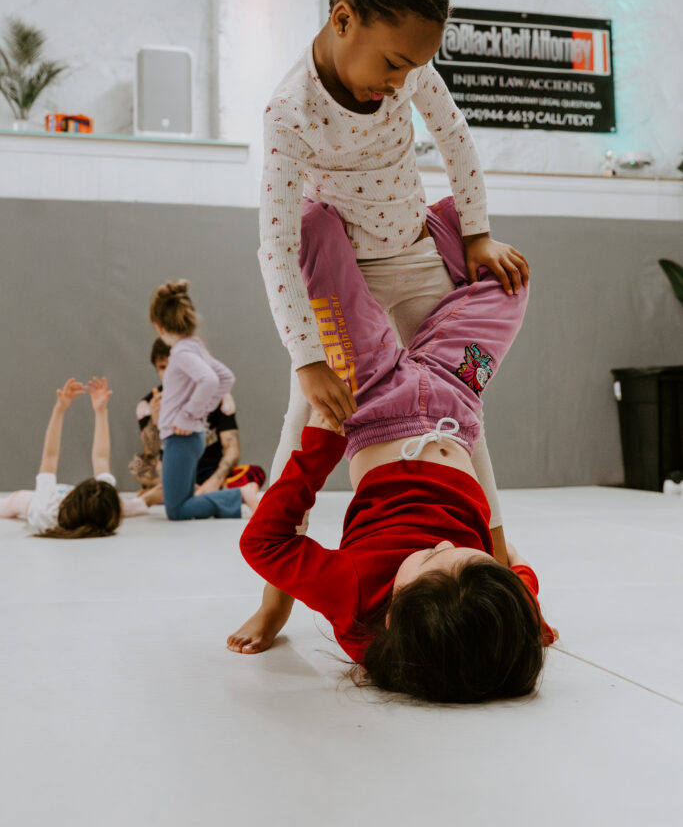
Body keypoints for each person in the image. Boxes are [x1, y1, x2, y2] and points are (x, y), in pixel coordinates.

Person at [259, 0, 529, 518]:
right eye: (392, 62)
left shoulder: (407, 73)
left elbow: (455, 139)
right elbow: (275, 245)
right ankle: (274, 587)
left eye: (412, 66)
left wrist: (477, 232)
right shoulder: (288, 110)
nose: (397, 82)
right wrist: (308, 358)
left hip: (412, 259)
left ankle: (493, 544)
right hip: (342, 278)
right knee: (306, 424)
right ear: (344, 18)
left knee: (459, 407)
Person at [230, 199, 556, 704]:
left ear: (392, 611)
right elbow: (518, 572)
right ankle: (442, 218)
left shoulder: (355, 595)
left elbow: (264, 545)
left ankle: (394, 209)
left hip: (369, 395)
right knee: (510, 280)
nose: (446, 544)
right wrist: (520, 611)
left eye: (428, 557)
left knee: (316, 223)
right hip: (456, 390)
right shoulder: (486, 599)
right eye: (474, 561)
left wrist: (320, 448)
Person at [149, 280, 261, 521]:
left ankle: (240, 493)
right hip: (189, 438)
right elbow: (225, 377)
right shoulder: (195, 345)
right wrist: (202, 412)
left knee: (176, 510)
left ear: (158, 326)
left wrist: (187, 416)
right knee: (183, 500)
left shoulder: (180, 352)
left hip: (180, 439)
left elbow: (210, 380)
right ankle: (237, 500)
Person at [0, 377, 148, 538]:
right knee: (124, 506)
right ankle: (147, 500)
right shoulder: (103, 502)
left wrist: (59, 410)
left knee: (15, 501)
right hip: (91, 504)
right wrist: (101, 411)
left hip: (41, 500)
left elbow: (50, 455)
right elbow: (101, 457)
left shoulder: (45, 510)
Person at [130, 338, 245, 504]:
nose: (168, 374)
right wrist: (155, 422)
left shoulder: (218, 398)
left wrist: (215, 480)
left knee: (253, 472)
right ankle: (196, 494)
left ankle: (174, 493)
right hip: (171, 470)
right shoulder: (148, 405)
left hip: (208, 470)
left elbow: (232, 449)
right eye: (162, 368)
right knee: (139, 467)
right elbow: (149, 455)